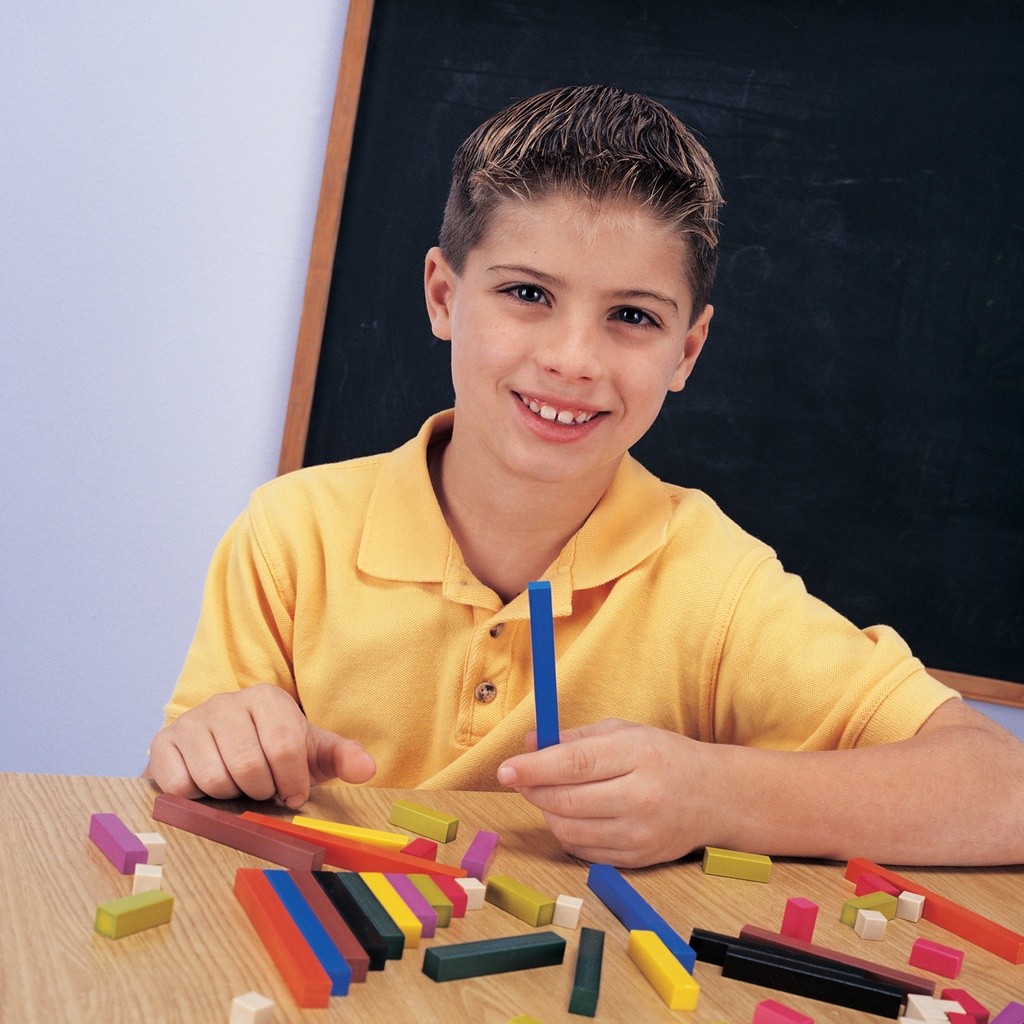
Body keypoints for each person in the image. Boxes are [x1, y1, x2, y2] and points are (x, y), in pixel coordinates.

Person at [145, 85, 1024, 868]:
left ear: (688, 351)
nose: (572, 360)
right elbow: (188, 785)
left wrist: (711, 792)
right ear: (444, 296)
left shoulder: (714, 587)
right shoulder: (292, 536)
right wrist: (211, 748)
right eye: (527, 294)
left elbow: (1002, 789)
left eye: (631, 316)